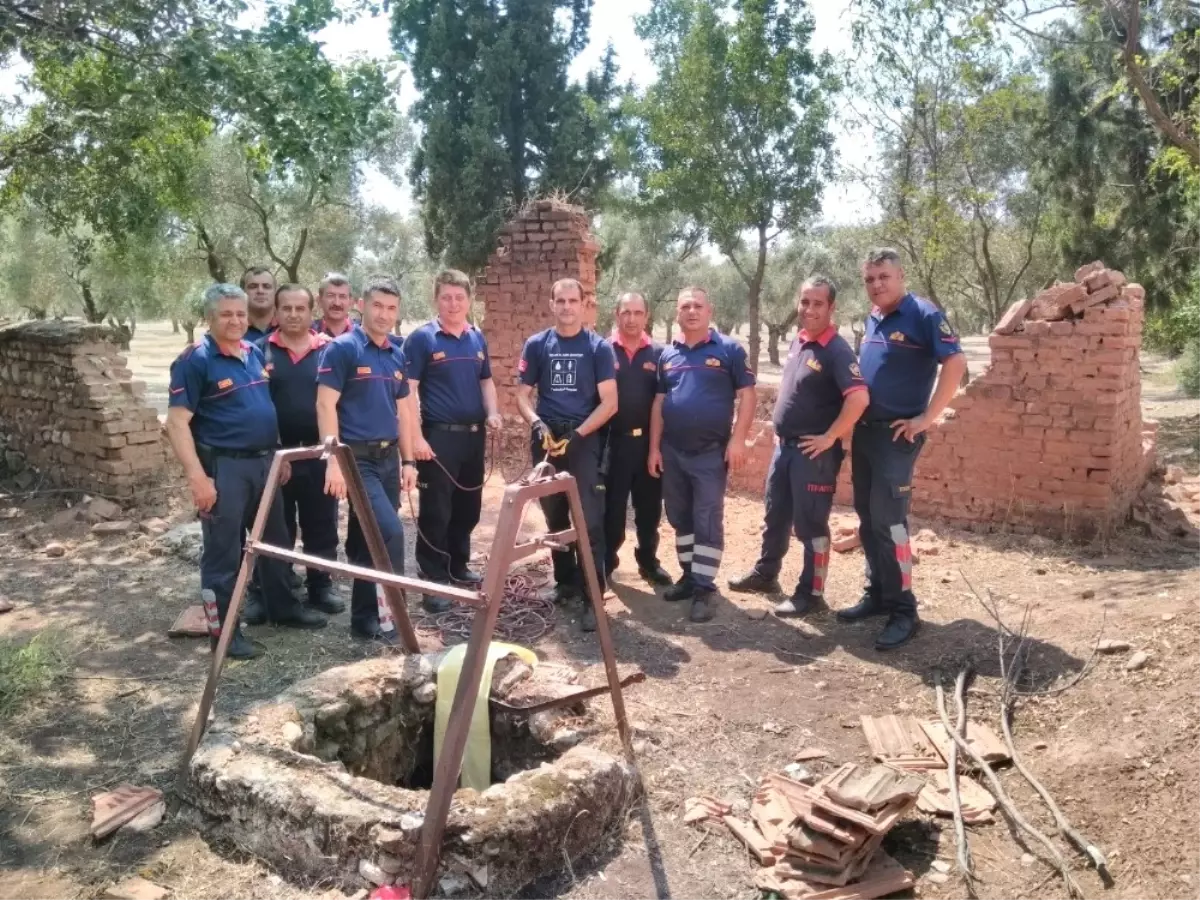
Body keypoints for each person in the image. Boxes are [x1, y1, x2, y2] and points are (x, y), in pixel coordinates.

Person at [165, 284, 327, 660]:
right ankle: (224, 635)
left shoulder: (253, 352)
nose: (236, 320)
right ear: (209, 318)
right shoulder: (195, 360)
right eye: (226, 314)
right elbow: (176, 424)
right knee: (224, 556)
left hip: (264, 465)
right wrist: (197, 478)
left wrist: (274, 457)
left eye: (240, 313)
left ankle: (283, 609)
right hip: (225, 470)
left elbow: (260, 409)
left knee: (275, 543)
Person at [839, 248, 966, 650]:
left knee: (890, 523)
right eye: (870, 279)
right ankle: (878, 594)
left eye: (884, 277)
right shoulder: (874, 317)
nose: (877, 284)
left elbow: (956, 363)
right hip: (866, 433)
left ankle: (904, 609)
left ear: (901, 276)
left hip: (898, 437)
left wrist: (926, 419)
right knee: (866, 516)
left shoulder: (924, 314)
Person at [728, 276, 869, 616]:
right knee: (775, 514)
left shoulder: (837, 350)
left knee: (811, 524)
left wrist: (830, 436)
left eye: (817, 303)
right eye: (804, 302)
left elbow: (859, 398)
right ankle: (766, 574)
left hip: (813, 454)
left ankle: (812, 593)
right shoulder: (800, 342)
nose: (809, 309)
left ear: (831, 308)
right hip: (786, 449)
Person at [316, 276, 418, 644]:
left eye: (391, 308)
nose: (384, 314)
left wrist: (408, 462)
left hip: (390, 458)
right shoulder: (342, 349)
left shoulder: (396, 353)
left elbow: (404, 413)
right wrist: (333, 461)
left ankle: (363, 620)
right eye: (377, 306)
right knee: (389, 532)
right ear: (362, 305)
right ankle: (396, 619)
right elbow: (324, 404)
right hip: (357, 460)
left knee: (364, 540)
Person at [648, 287, 756, 623]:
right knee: (680, 517)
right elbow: (659, 404)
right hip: (673, 452)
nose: (691, 311)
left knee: (707, 519)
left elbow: (748, 396)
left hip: (710, 454)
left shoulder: (729, 350)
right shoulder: (668, 354)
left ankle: (704, 588)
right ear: (677, 313)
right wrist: (654, 447)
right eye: (685, 307)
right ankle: (688, 576)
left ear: (710, 310)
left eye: (697, 306)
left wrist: (738, 440)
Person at [516, 278, 617, 632]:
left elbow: (610, 402)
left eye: (573, 300)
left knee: (588, 521)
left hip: (583, 438)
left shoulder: (598, 348)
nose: (566, 307)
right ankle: (566, 583)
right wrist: (537, 424)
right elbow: (522, 396)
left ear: (584, 303)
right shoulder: (537, 345)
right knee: (555, 515)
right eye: (560, 300)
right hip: (546, 438)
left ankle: (594, 597)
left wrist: (578, 434)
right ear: (551, 303)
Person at [404, 270, 502, 607]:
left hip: (473, 438)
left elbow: (486, 381)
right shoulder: (422, 339)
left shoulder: (477, 338)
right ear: (436, 300)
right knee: (436, 512)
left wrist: (493, 413)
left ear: (469, 300)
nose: (453, 303)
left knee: (468, 508)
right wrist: (416, 438)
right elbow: (408, 392)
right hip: (437, 440)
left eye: (460, 297)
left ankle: (458, 567)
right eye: (446, 297)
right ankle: (433, 582)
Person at [256, 284, 345, 617]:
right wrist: (274, 451)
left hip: (319, 454)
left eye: (300, 308)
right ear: (277, 312)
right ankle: (273, 590)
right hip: (276, 457)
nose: (293, 314)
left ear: (312, 312)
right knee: (277, 527)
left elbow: (340, 404)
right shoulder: (258, 351)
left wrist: (334, 454)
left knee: (321, 524)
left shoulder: (330, 350)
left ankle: (321, 587)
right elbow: (255, 407)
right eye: (286, 308)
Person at [603, 292, 671, 586]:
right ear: (616, 314)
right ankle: (606, 563)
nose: (631, 318)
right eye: (625, 312)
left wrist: (657, 447)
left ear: (646, 316)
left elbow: (663, 401)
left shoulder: (659, 354)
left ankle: (648, 562)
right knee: (612, 510)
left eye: (637, 312)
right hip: (612, 445)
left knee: (649, 510)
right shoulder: (602, 350)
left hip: (647, 445)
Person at [241, 266, 277, 342]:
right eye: (253, 287)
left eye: (266, 286)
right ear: (242, 292)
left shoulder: (289, 324)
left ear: (275, 292)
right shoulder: (233, 328)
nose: (260, 291)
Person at [316, 272, 356, 338]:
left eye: (342, 296)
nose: (337, 303)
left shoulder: (362, 335)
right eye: (330, 296)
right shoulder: (307, 333)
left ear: (351, 302)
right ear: (319, 300)